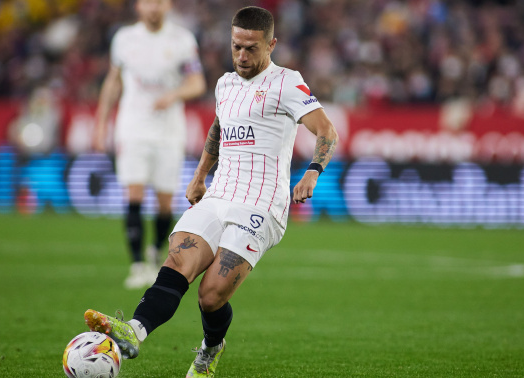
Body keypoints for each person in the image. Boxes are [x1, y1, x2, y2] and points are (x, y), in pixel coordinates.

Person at [85, 6, 338, 377]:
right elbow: (220, 128)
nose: (242, 56)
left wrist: (312, 173)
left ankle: (211, 346)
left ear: (272, 44)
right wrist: (200, 176)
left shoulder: (287, 82)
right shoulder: (225, 84)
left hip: (262, 203)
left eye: (251, 48)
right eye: (236, 46)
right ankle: (134, 332)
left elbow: (326, 130)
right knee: (177, 262)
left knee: (211, 294)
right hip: (219, 194)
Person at [92, 0, 206, 289]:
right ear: (138, 7)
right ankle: (136, 264)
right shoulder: (124, 39)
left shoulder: (182, 39)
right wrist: (101, 123)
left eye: (158, 2)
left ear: (167, 6)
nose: (153, 7)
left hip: (169, 130)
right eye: (147, 2)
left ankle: (155, 256)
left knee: (165, 199)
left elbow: (197, 83)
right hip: (132, 127)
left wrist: (174, 95)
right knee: (134, 193)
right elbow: (113, 81)